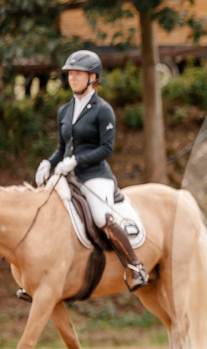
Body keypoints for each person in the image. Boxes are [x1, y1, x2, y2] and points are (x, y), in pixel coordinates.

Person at [35, 50, 149, 291]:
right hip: (67, 175)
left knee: (101, 217)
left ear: (93, 77)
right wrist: (49, 162)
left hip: (95, 176)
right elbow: (61, 149)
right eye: (70, 74)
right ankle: (36, 273)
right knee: (43, 209)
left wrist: (76, 161)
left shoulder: (102, 110)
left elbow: (107, 149)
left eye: (78, 74)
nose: (72, 79)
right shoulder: (64, 111)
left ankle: (135, 266)